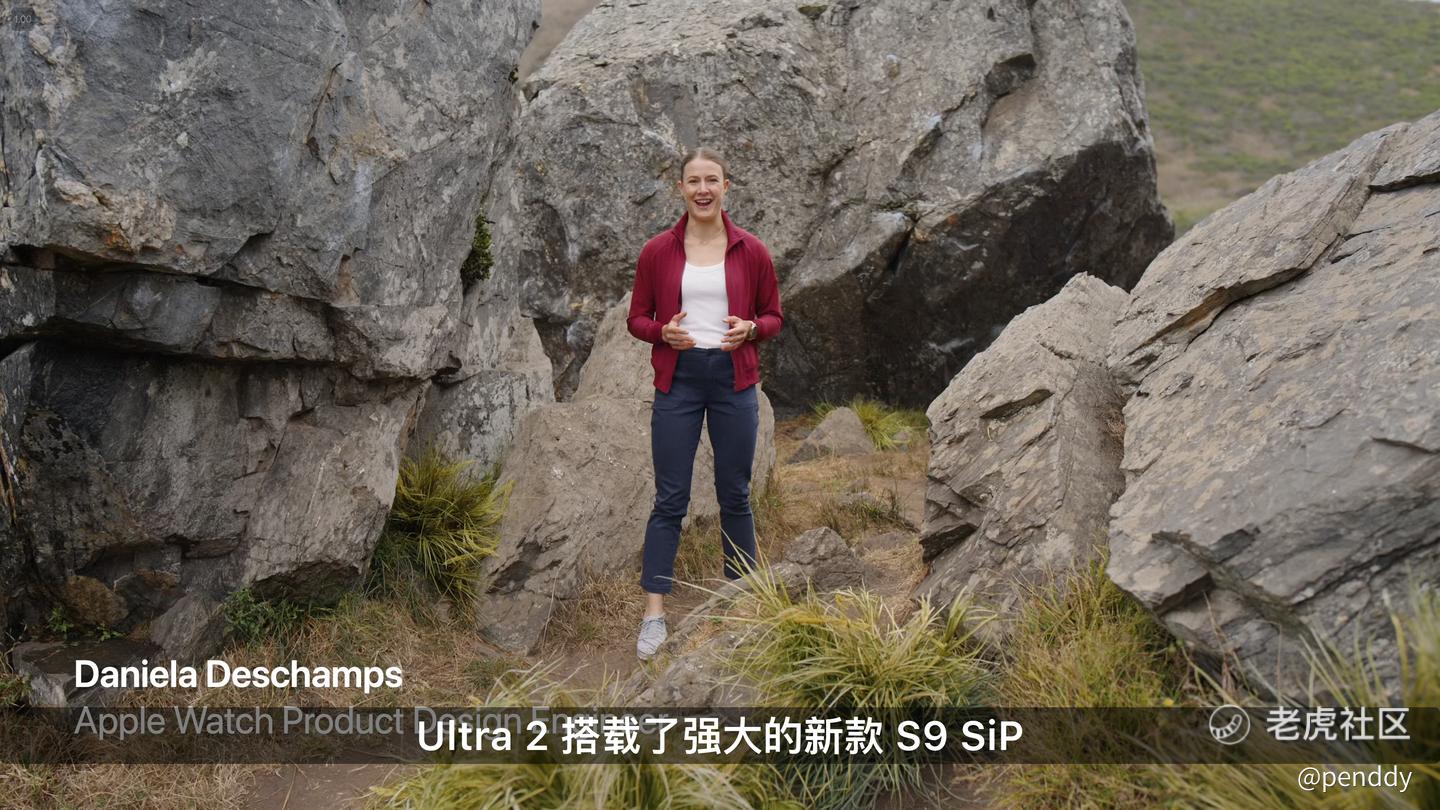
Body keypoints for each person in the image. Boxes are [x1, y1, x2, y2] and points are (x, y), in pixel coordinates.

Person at [626, 147, 784, 660]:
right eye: (693, 181)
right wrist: (662, 332)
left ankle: (741, 603)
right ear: (680, 188)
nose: (702, 189)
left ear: (725, 186)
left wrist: (752, 329)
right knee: (670, 498)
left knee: (734, 493)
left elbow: (774, 316)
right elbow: (637, 318)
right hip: (679, 381)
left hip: (734, 380)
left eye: (711, 180)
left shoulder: (751, 250)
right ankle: (654, 615)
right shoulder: (658, 251)